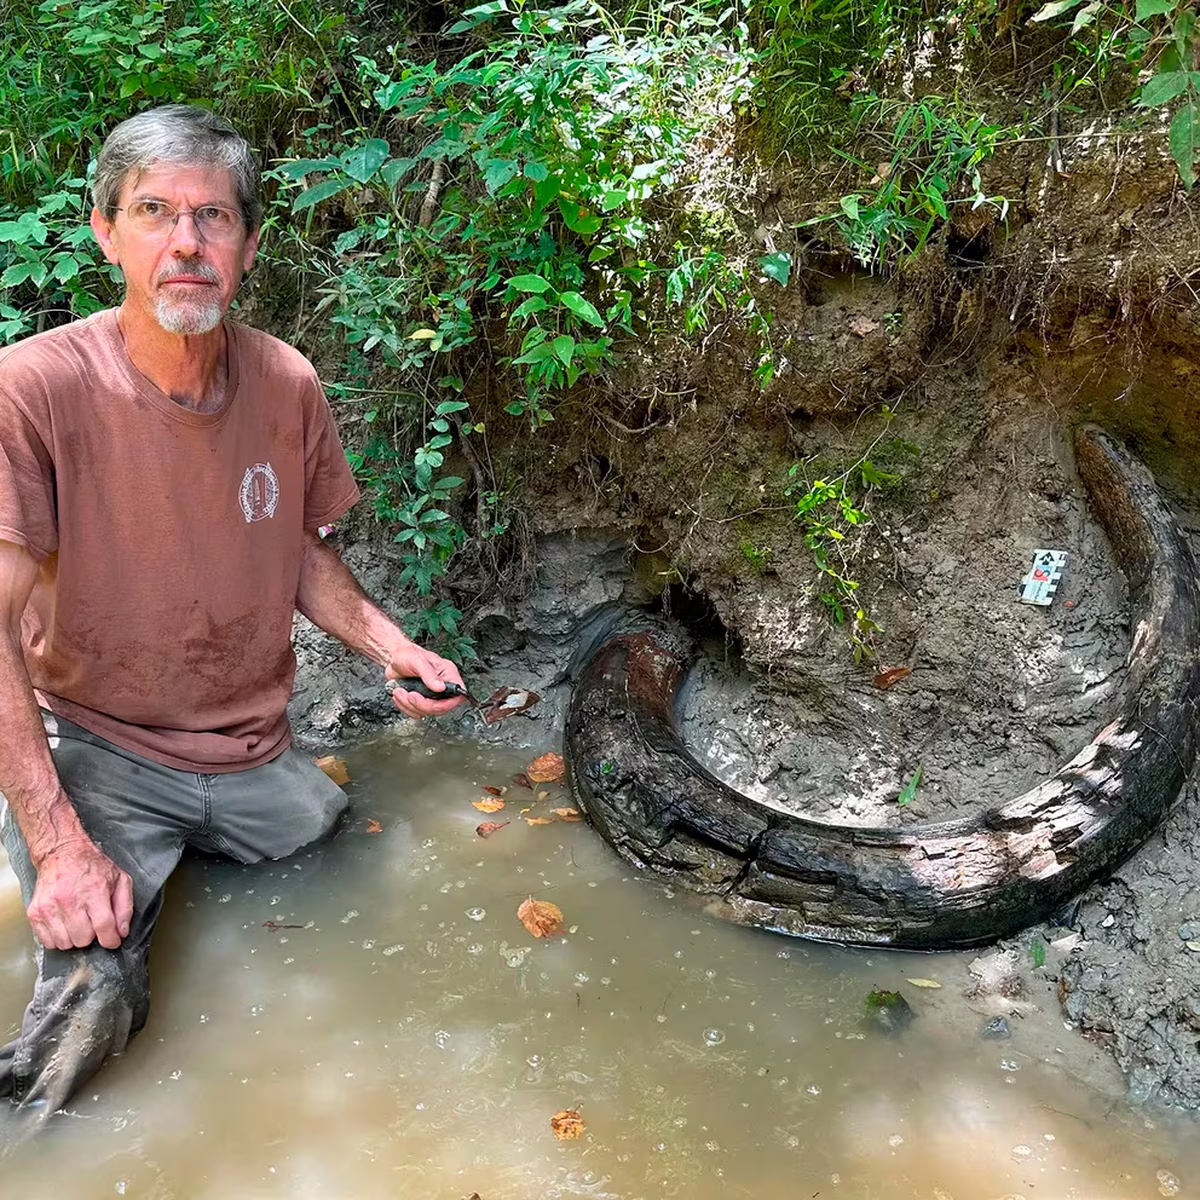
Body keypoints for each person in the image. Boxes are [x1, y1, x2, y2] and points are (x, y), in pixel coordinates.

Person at [0, 105, 465, 1119]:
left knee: (343, 863)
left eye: (213, 218)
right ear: (104, 231)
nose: (186, 243)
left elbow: (300, 548)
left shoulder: (284, 380)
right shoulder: (34, 388)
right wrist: (60, 846)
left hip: (248, 749)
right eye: (156, 212)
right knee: (92, 1000)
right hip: (98, 744)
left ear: (248, 246)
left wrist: (394, 648)